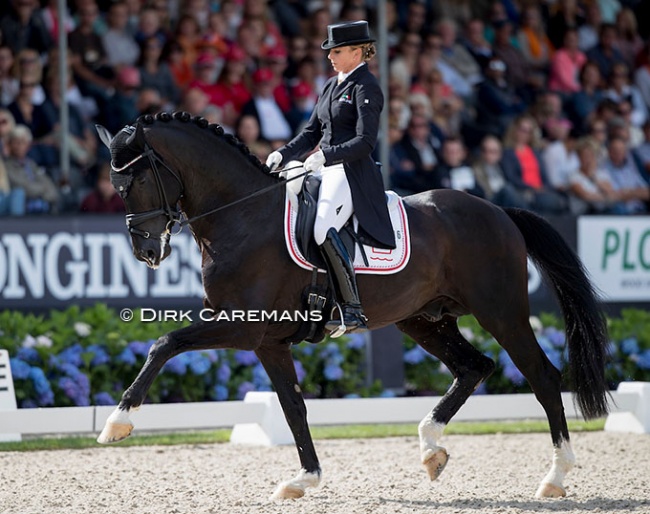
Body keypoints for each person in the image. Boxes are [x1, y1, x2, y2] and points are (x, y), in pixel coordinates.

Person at [265, 21, 394, 335]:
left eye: (337, 51)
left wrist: (328, 155)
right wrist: (283, 154)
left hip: (351, 172)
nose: (330, 57)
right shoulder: (331, 85)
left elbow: (365, 142)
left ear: (357, 51)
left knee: (323, 227)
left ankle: (352, 308)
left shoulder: (367, 86)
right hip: (323, 167)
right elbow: (311, 133)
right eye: (330, 51)